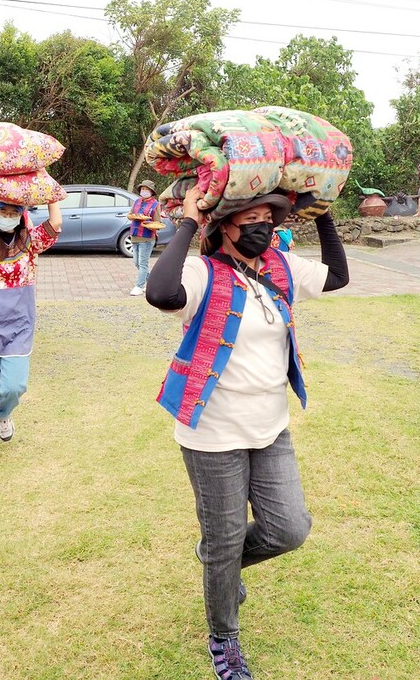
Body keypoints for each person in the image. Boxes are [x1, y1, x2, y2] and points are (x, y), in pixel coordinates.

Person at [146, 186, 349, 680]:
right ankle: (224, 639)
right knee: (226, 535)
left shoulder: (279, 266)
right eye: (250, 220)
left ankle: (219, 558)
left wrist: (324, 217)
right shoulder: (202, 273)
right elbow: (161, 293)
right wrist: (190, 222)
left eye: (268, 219)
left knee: (289, 528)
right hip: (213, 434)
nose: (263, 227)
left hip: (271, 425)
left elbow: (338, 277)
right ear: (225, 228)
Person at [0, 161, 62, 465]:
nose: (7, 217)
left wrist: (46, 184)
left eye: (13, 212)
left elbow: (55, 224)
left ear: (21, 215)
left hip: (19, 325)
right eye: (2, 211)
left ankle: (2, 414)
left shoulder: (28, 243)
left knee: (15, 386)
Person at [127, 179, 162, 297]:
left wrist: (148, 223)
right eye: (142, 189)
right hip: (135, 234)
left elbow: (158, 222)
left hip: (147, 237)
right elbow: (132, 214)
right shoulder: (137, 201)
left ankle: (139, 286)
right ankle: (154, 282)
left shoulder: (155, 204)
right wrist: (133, 217)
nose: (144, 191)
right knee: (136, 262)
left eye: (146, 189)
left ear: (151, 192)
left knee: (143, 263)